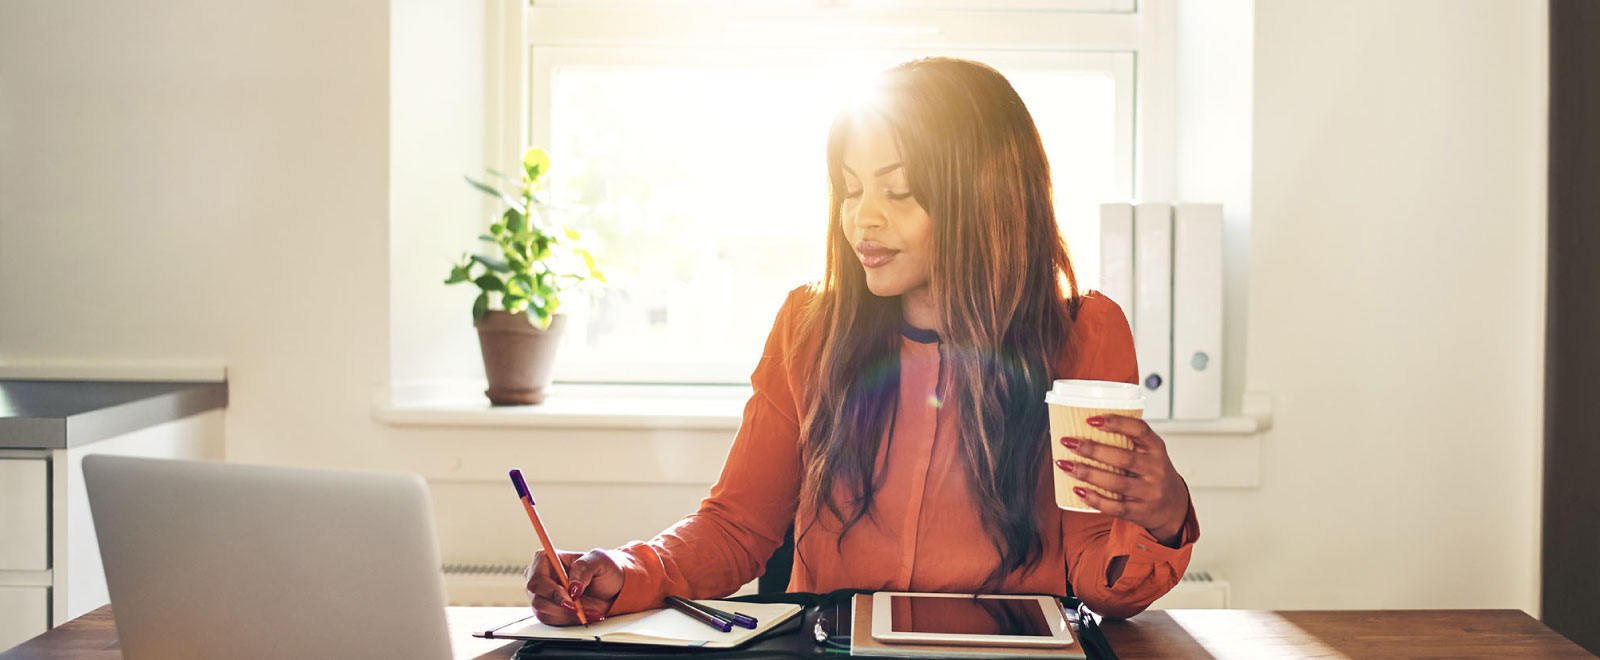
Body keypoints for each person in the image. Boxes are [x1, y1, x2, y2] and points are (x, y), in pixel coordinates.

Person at [526, 57, 1199, 625]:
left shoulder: (1084, 336)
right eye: (850, 190)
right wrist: (627, 568)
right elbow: (738, 527)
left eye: (899, 190)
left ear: (986, 197)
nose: (862, 217)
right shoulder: (808, 329)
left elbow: (1097, 575)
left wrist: (1163, 517)